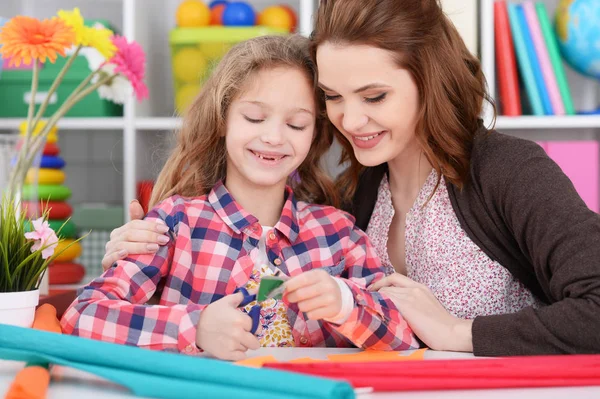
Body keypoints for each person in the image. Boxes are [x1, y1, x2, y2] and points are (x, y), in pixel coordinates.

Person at [100, 0, 600, 356]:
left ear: (430, 78)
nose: (351, 121)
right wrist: (141, 256)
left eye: (374, 96)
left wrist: (459, 332)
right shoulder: (354, 192)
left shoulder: (506, 170)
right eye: (333, 98)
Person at [61, 34, 417, 361]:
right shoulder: (175, 224)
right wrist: (195, 328)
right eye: (255, 117)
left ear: (314, 135)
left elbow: (405, 335)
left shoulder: (338, 234)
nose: (274, 137)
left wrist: (345, 304)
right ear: (223, 119)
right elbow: (83, 315)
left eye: (296, 125)